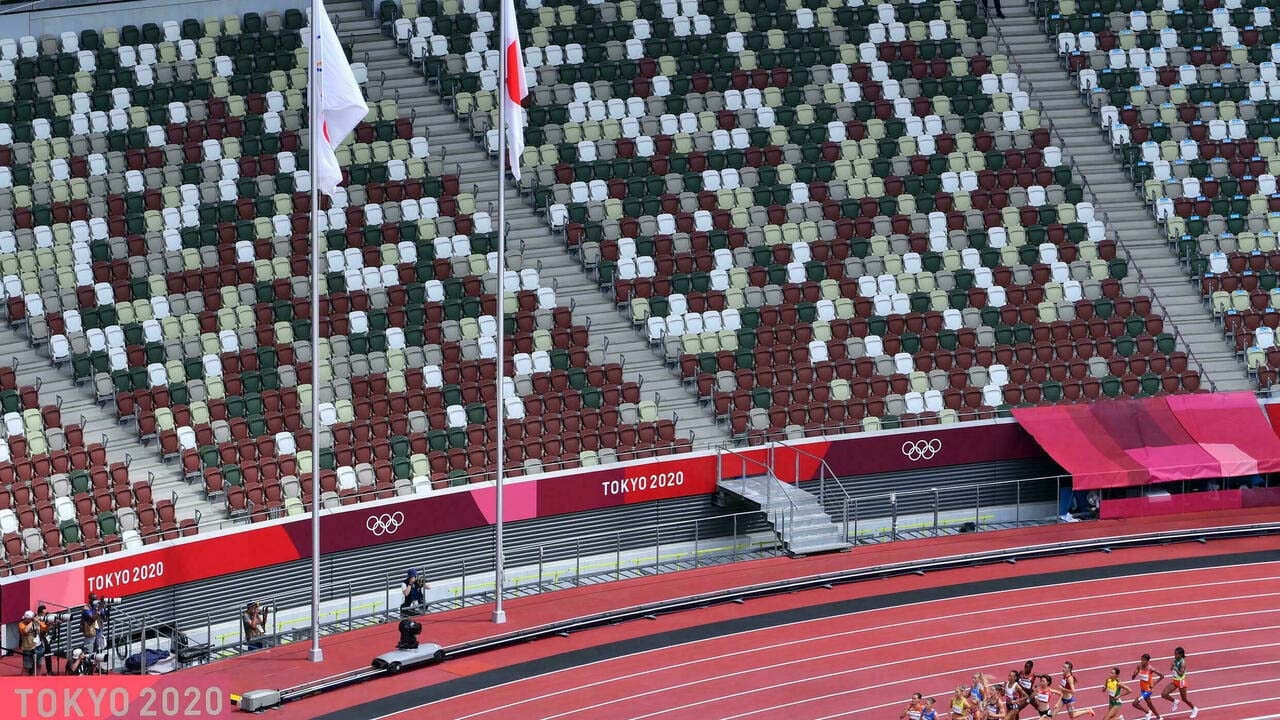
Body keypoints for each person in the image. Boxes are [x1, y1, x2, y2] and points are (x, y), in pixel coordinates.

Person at [1160, 647, 1198, 718]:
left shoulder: (1183, 663)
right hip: (1175, 681)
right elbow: (1171, 668)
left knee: (1184, 699)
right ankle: (1175, 701)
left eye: (1176, 654)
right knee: (1163, 694)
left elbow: (1180, 674)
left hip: (1181, 682)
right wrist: (1172, 667)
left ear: (1181, 655)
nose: (1175, 655)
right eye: (1174, 653)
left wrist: (1175, 668)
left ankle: (1194, 709)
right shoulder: (1174, 660)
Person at [1131, 653, 1165, 719]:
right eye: (1141, 660)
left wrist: (1154, 684)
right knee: (1149, 704)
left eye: (1144, 660)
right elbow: (1132, 678)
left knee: (1134, 703)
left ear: (1147, 661)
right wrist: (1134, 674)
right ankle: (1159, 717)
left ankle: (1147, 712)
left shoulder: (1150, 669)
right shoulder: (1139, 666)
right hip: (1142, 690)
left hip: (1148, 690)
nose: (1142, 662)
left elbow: (1162, 676)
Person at [17, 610, 47, 676]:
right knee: (27, 668)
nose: (31, 620)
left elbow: (45, 628)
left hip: (39, 647)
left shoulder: (36, 622)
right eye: (30, 619)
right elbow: (25, 631)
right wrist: (32, 622)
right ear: (26, 618)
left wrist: (49, 624)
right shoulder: (21, 624)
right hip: (28, 648)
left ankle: (38, 682)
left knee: (39, 666)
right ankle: (23, 683)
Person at [34, 605, 61, 676]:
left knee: (48, 656)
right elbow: (44, 628)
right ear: (39, 613)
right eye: (44, 613)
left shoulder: (46, 618)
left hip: (46, 640)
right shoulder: (37, 620)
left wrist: (55, 623)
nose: (45, 614)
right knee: (37, 658)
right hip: (39, 641)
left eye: (46, 613)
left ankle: (49, 671)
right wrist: (49, 624)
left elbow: (49, 626)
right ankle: (33, 672)